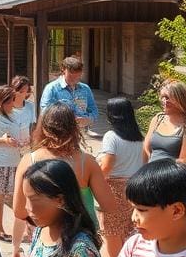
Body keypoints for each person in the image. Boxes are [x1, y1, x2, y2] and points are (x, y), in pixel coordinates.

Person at [13, 103, 115, 242]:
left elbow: (19, 211)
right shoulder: (87, 162)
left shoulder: (28, 161)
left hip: (46, 236)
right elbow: (109, 205)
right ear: (74, 129)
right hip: (82, 235)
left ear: (43, 128)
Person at [142, 79, 186, 235]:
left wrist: (159, 178)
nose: (164, 101)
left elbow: (183, 161)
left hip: (171, 184)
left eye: (168, 97)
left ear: (180, 98)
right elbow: (146, 148)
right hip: (149, 179)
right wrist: (145, 174)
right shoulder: (157, 119)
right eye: (162, 97)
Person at [97, 98, 145, 257]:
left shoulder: (111, 136)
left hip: (115, 189)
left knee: (112, 231)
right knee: (130, 229)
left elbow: (107, 166)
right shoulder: (139, 137)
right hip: (135, 188)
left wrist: (95, 181)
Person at [0, 85, 32, 242]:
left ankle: (28, 229)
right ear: (2, 102)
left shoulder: (15, 115)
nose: (12, 104)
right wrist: (3, 140)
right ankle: (0, 229)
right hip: (1, 163)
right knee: (1, 197)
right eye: (10, 101)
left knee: (19, 195)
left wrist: (24, 141)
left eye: (13, 100)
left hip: (16, 161)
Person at [10, 75, 37, 257]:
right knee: (16, 195)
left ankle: (29, 230)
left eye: (27, 90)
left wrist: (34, 143)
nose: (24, 93)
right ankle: (16, 245)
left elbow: (33, 127)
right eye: (21, 90)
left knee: (28, 191)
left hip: (27, 150)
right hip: (11, 151)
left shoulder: (30, 107)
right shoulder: (8, 106)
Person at [39, 56, 99, 137]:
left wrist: (88, 119)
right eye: (71, 76)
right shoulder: (52, 88)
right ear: (63, 70)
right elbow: (45, 112)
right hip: (59, 135)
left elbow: (94, 110)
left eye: (78, 76)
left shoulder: (85, 89)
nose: (74, 79)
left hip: (82, 135)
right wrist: (66, 121)